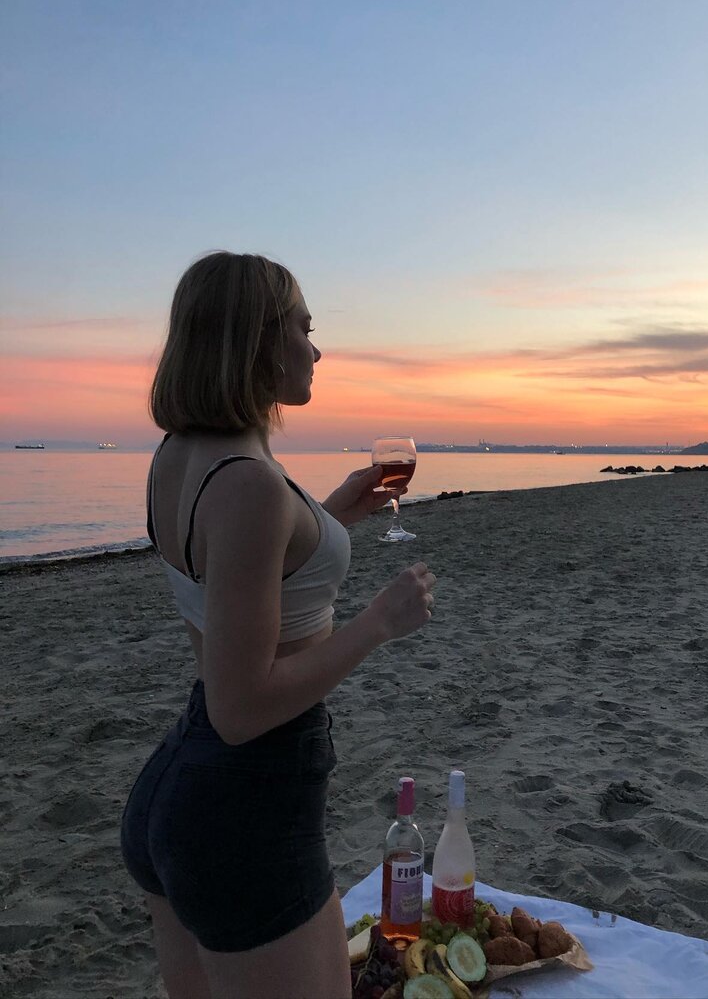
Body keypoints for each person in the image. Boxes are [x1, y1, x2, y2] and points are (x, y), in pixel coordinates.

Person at [120, 251, 436, 999]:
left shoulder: (179, 456)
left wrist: (327, 518)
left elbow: (239, 577)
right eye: (303, 327)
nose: (315, 349)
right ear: (256, 340)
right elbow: (243, 708)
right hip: (247, 803)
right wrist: (377, 624)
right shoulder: (252, 484)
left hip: (182, 786)